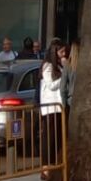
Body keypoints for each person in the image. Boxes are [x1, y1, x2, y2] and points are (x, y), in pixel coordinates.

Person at [37, 44, 65, 173]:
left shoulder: (59, 66)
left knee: (57, 137)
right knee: (49, 138)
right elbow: (51, 85)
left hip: (58, 106)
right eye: (61, 52)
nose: (63, 54)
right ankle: (46, 166)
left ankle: (54, 164)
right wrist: (63, 77)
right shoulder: (48, 66)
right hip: (50, 106)